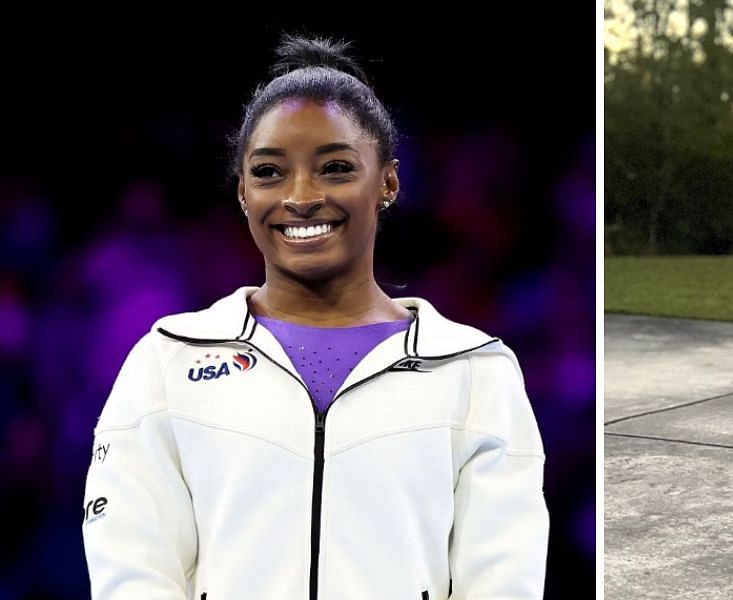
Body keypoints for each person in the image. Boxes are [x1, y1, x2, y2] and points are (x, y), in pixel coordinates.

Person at [81, 34, 549, 599]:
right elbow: (133, 571)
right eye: (269, 172)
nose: (300, 196)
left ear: (388, 183)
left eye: (334, 168)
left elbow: (503, 580)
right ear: (243, 192)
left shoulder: (476, 373)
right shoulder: (167, 362)